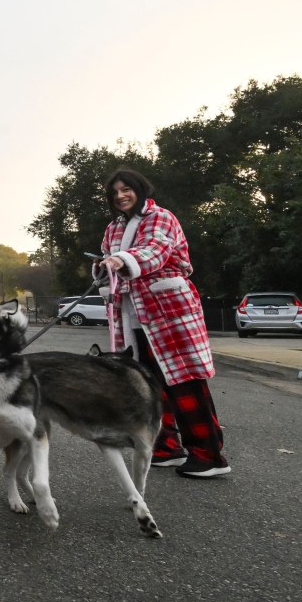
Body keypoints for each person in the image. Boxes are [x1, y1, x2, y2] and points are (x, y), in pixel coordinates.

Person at [94, 168, 230, 478]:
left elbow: (154, 251)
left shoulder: (161, 217)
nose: (120, 196)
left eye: (126, 189)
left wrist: (122, 259)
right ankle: (166, 447)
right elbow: (108, 257)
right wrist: (103, 264)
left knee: (185, 382)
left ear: (139, 189)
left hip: (168, 311)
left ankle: (209, 455)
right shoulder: (113, 227)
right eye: (114, 192)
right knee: (148, 384)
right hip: (132, 316)